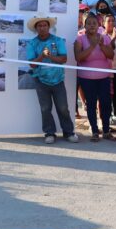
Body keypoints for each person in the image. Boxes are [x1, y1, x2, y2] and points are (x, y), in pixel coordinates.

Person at [26, 14, 77, 144]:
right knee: (45, 108)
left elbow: (64, 59)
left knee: (63, 107)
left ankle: (69, 132)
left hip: (58, 80)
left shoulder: (58, 41)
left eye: (44, 25)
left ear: (48, 27)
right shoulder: (32, 43)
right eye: (39, 26)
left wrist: (51, 57)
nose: (42, 28)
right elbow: (32, 64)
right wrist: (42, 56)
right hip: (41, 81)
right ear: (36, 28)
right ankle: (49, 133)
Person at [74, 14, 115, 142]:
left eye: (94, 23)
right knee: (90, 104)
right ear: (84, 25)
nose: (92, 25)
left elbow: (111, 55)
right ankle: (95, 131)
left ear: (99, 25)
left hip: (104, 78)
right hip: (86, 78)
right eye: (89, 23)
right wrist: (92, 46)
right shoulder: (79, 39)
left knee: (106, 104)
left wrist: (102, 46)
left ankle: (107, 131)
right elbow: (78, 57)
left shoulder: (105, 38)